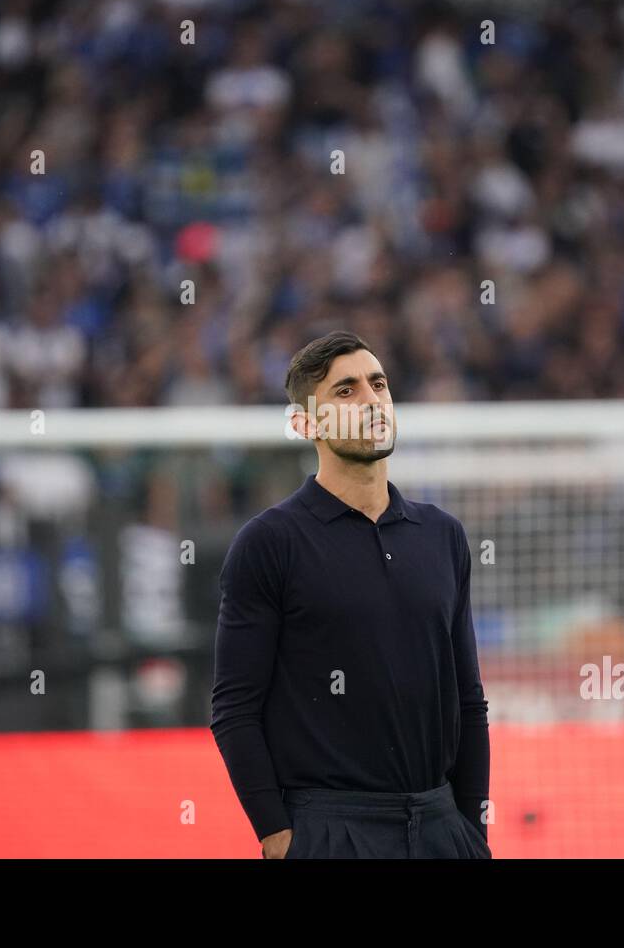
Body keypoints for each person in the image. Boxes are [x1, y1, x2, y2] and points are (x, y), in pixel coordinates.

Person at [210, 331, 491, 858]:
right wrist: (278, 837)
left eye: (378, 384)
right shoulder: (269, 542)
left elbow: (469, 701)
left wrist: (474, 835)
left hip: (440, 824)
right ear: (308, 424)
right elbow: (233, 708)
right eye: (346, 391)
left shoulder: (442, 535)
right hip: (330, 830)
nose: (371, 400)